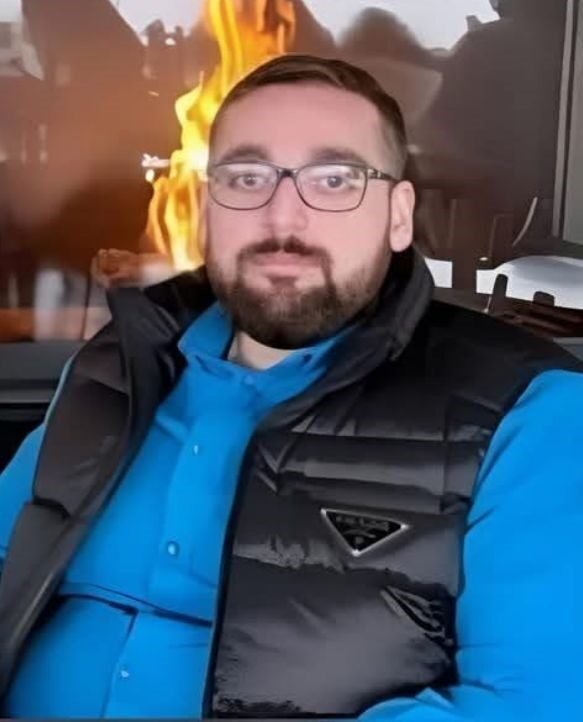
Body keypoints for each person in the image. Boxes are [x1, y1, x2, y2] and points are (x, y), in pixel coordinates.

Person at [0, 54, 582, 721]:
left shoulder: (528, 411)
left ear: (398, 216)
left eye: (334, 180)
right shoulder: (117, 369)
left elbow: (532, 703)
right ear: (206, 208)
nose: (283, 220)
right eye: (246, 178)